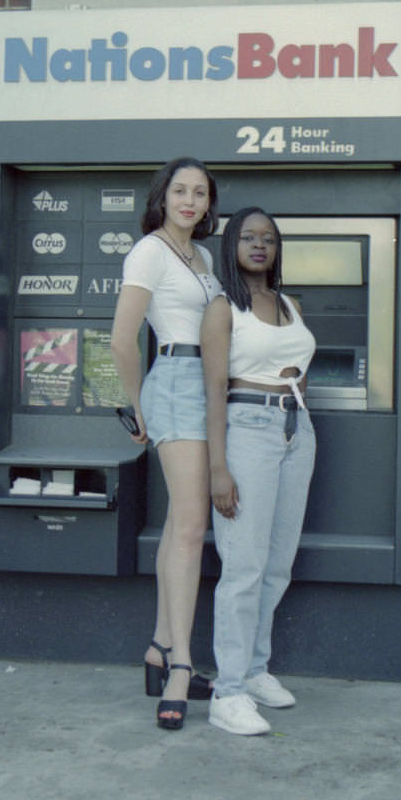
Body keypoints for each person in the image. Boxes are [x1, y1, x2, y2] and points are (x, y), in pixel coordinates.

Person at [111, 157, 221, 731]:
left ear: (208, 204)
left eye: (199, 192)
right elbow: (123, 337)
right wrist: (137, 404)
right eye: (180, 190)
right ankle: (181, 665)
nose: (189, 200)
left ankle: (159, 646)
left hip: (207, 385)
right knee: (190, 528)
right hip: (175, 382)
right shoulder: (150, 251)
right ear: (163, 196)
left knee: (184, 521)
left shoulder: (201, 257)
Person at [200, 207, 317, 736]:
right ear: (232, 246)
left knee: (277, 564)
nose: (259, 244)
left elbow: (299, 370)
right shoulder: (223, 308)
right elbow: (213, 392)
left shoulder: (290, 304)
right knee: (243, 567)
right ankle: (226, 693)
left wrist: (296, 417)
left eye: (268, 238)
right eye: (248, 236)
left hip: (297, 428)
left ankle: (253, 669)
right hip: (246, 427)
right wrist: (217, 468)